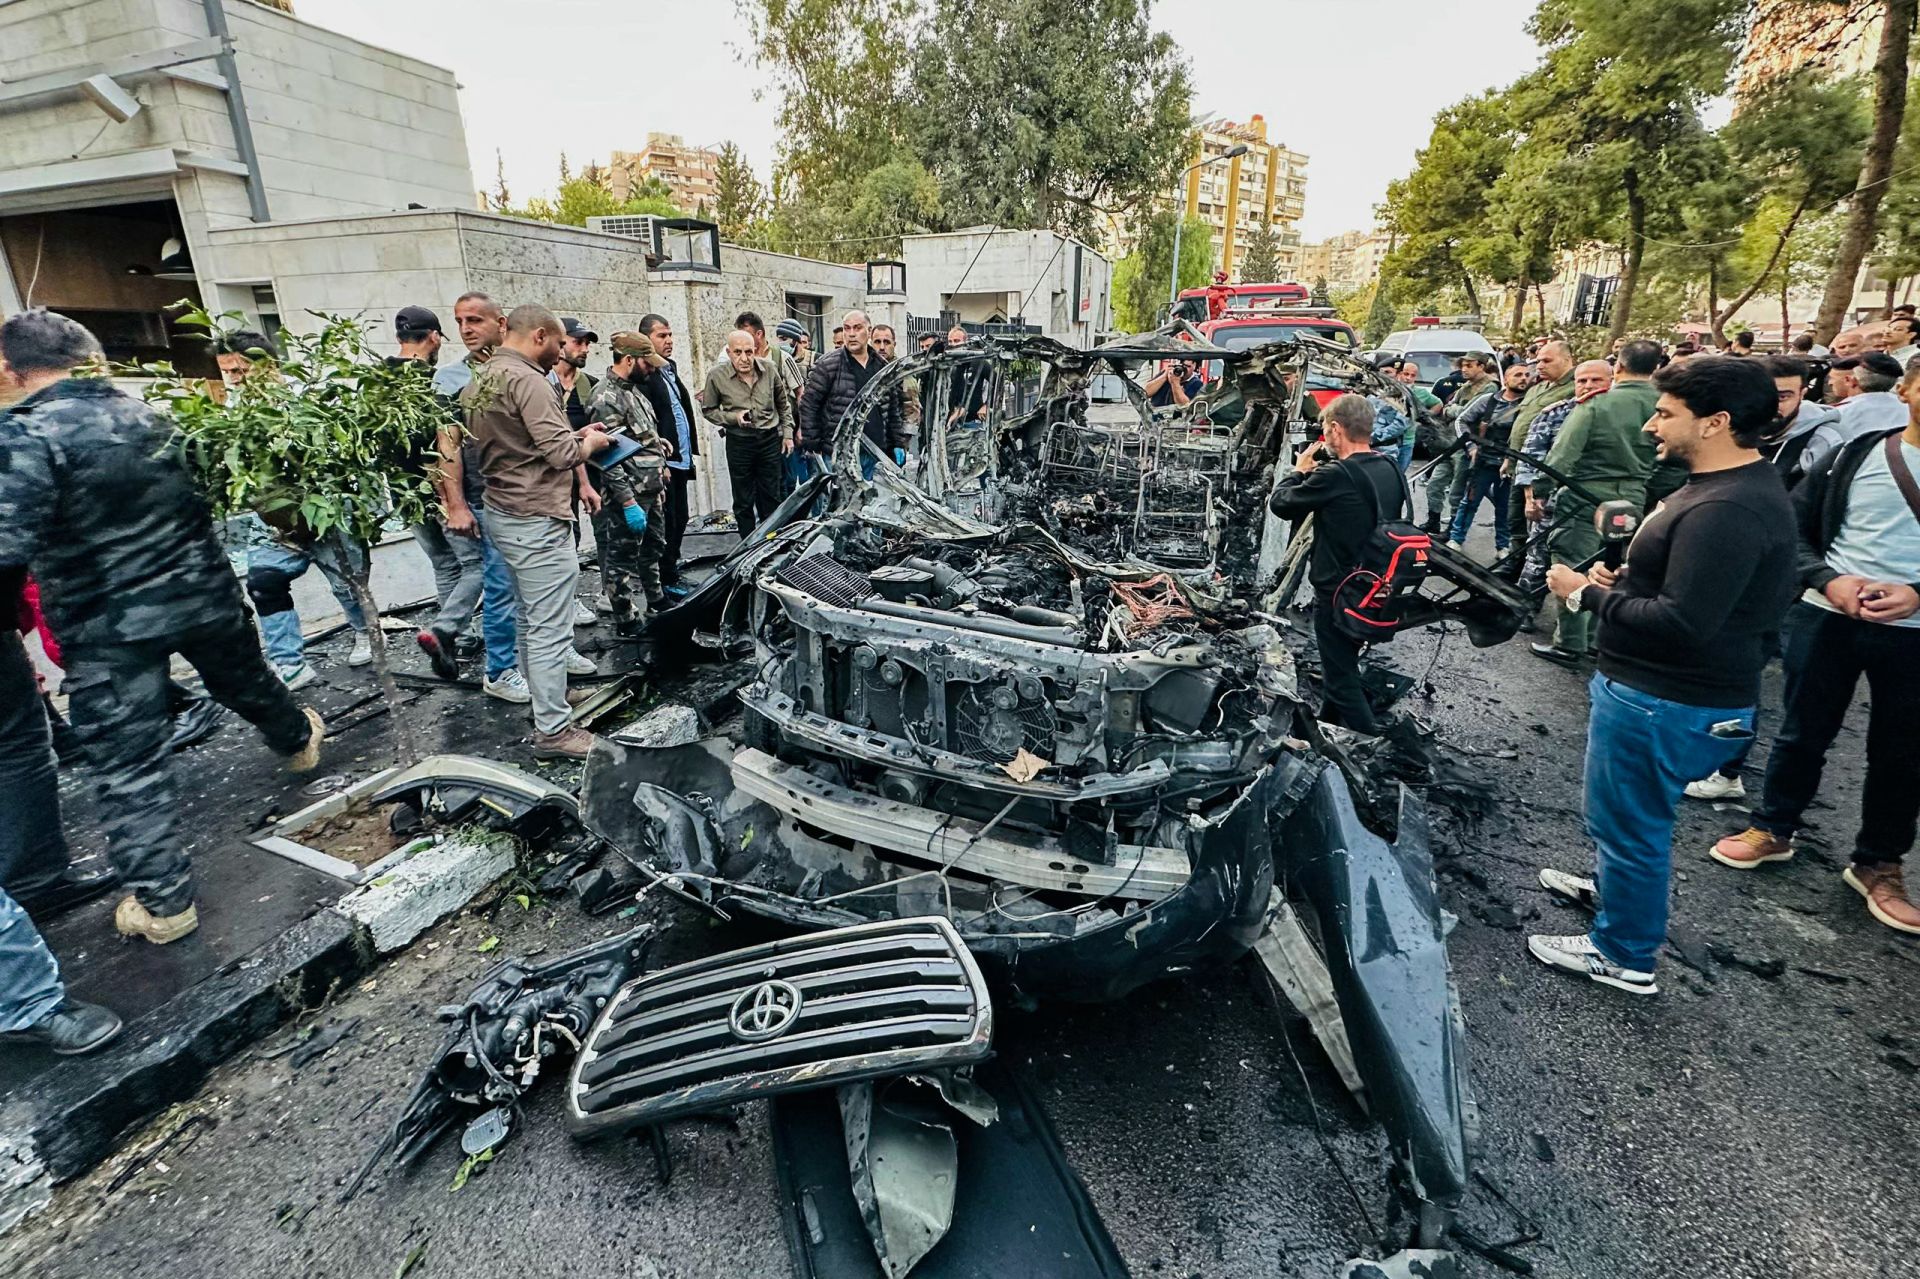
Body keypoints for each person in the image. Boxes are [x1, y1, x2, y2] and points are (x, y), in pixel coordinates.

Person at [0, 309, 327, 945]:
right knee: (247, 681)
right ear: (92, 359)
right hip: (204, 595)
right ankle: (296, 741)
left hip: (109, 625)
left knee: (127, 763)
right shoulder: (157, 416)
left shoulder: (24, 436)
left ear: (13, 369)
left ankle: (165, 901)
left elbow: (6, 548)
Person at [1531, 356, 1797, 996]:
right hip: (1662, 694)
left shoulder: (1728, 508)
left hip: (1665, 700)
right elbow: (1697, 590)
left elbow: (1685, 622)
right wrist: (1631, 580)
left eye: (1666, 413)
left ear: (1716, 422)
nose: (1651, 425)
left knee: (1634, 826)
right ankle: (1618, 891)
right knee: (1627, 820)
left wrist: (1581, 595)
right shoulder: (1715, 487)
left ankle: (1623, 951)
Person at [1707, 357, 1920, 933]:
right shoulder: (1857, 454)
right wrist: (1829, 579)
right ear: (1905, 390)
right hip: (1828, 617)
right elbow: (1793, 527)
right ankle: (1774, 826)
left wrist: (1917, 594)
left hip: (1915, 634)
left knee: (1903, 752)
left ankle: (1879, 862)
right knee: (1803, 730)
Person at [460, 304, 612, 760]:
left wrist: (574, 434)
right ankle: (554, 731)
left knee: (530, 618)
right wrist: (592, 442)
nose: (563, 351)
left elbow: (520, 443)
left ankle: (551, 698)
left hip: (503, 509)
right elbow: (562, 455)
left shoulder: (482, 377)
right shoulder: (529, 381)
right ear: (541, 336)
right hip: (536, 516)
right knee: (548, 625)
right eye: (560, 342)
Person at [218, 328, 373, 685]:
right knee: (264, 583)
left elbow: (341, 453)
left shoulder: (305, 398)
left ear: (268, 364)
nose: (235, 380)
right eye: (228, 372)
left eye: (241, 371)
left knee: (347, 584)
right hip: (273, 519)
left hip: (325, 512)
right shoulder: (233, 411)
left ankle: (366, 631)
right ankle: (289, 663)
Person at [1268, 395, 1407, 734]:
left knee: (1342, 677)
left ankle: (1369, 746)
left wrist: (1298, 472)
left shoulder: (1336, 475)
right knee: (1340, 663)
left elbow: (1282, 504)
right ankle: (1328, 727)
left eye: (1324, 430)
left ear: (1335, 429)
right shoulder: (1389, 467)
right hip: (1373, 587)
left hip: (1338, 589)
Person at [1529, 347, 1661, 666]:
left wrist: (1540, 493)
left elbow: (1561, 457)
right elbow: (1674, 464)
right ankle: (1594, 640)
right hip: (1634, 497)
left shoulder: (1598, 404)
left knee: (1572, 564)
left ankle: (1570, 643)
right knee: (1612, 568)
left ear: (1619, 366)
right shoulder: (1666, 404)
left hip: (1585, 496)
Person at [431, 293, 527, 703]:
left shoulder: (518, 370)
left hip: (526, 495)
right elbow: (446, 445)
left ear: (500, 324)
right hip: (487, 499)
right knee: (500, 586)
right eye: (460, 321)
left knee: (536, 587)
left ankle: (545, 659)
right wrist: (455, 503)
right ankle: (500, 669)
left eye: (475, 320)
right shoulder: (451, 381)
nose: (467, 328)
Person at [392, 306, 484, 683]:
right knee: (477, 565)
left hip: (404, 495)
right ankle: (446, 629)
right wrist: (453, 502)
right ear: (433, 337)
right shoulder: (430, 386)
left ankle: (455, 639)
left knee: (446, 565)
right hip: (438, 490)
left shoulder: (378, 382)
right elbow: (445, 445)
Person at [587, 332, 672, 632]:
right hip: (629, 494)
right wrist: (627, 501)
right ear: (628, 360)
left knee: (653, 547)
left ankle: (656, 599)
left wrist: (658, 447)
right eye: (647, 363)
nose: (652, 369)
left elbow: (635, 437)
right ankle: (624, 616)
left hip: (650, 489)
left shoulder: (635, 391)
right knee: (621, 559)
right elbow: (607, 457)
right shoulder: (605, 398)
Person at [701, 328, 797, 535]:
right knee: (743, 499)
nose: (744, 358)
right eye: (738, 352)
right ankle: (747, 546)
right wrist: (733, 418)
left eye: (749, 352)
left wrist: (787, 434)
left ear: (756, 350)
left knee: (771, 496)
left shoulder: (769, 370)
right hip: (739, 442)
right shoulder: (717, 376)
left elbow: (784, 403)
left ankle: (771, 541)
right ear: (729, 352)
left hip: (769, 440)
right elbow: (708, 410)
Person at [798, 310, 907, 476]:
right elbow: (808, 405)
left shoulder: (883, 367)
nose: (851, 334)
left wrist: (897, 442)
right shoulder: (828, 365)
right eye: (847, 329)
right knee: (842, 501)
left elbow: (892, 410)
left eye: (857, 328)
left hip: (876, 454)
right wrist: (814, 444)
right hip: (840, 454)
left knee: (876, 500)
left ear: (868, 332)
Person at [1499, 340, 1575, 575]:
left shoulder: (1573, 389)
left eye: (1546, 360)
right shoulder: (1537, 388)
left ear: (1567, 360)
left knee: (1539, 524)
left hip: (1545, 468)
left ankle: (1533, 574)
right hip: (1520, 462)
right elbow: (1521, 424)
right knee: (1515, 517)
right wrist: (1509, 461)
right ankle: (1515, 562)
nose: (1539, 366)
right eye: (1538, 361)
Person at [636, 314, 699, 591]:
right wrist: (658, 459)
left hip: (680, 460)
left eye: (670, 334)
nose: (669, 341)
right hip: (662, 462)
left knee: (680, 517)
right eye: (662, 336)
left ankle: (671, 570)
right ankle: (663, 579)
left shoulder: (669, 369)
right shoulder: (644, 376)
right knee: (665, 522)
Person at [1447, 363, 1531, 551]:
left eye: (1527, 375)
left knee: (1505, 508)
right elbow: (1462, 421)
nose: (1524, 378)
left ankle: (1503, 546)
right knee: (1469, 502)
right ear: (1506, 379)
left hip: (1511, 465)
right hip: (1483, 461)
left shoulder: (1529, 405)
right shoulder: (1488, 400)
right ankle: (1456, 538)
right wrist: (1471, 446)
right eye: (1518, 375)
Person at [1428, 353, 1496, 535]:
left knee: (1457, 492)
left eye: (1469, 365)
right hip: (1450, 443)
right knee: (1434, 484)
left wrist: (1454, 410)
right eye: (1463, 365)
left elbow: (1467, 413)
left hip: (1468, 446)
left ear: (1481, 366)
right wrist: (1454, 410)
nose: (1464, 369)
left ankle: (1453, 530)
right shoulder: (1466, 387)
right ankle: (1433, 520)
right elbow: (1448, 407)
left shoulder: (1489, 388)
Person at [1751, 354, 1842, 485]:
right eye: (1761, 395)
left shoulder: (1827, 441)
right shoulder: (1734, 428)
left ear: (1802, 395)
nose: (1770, 406)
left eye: (1782, 397)